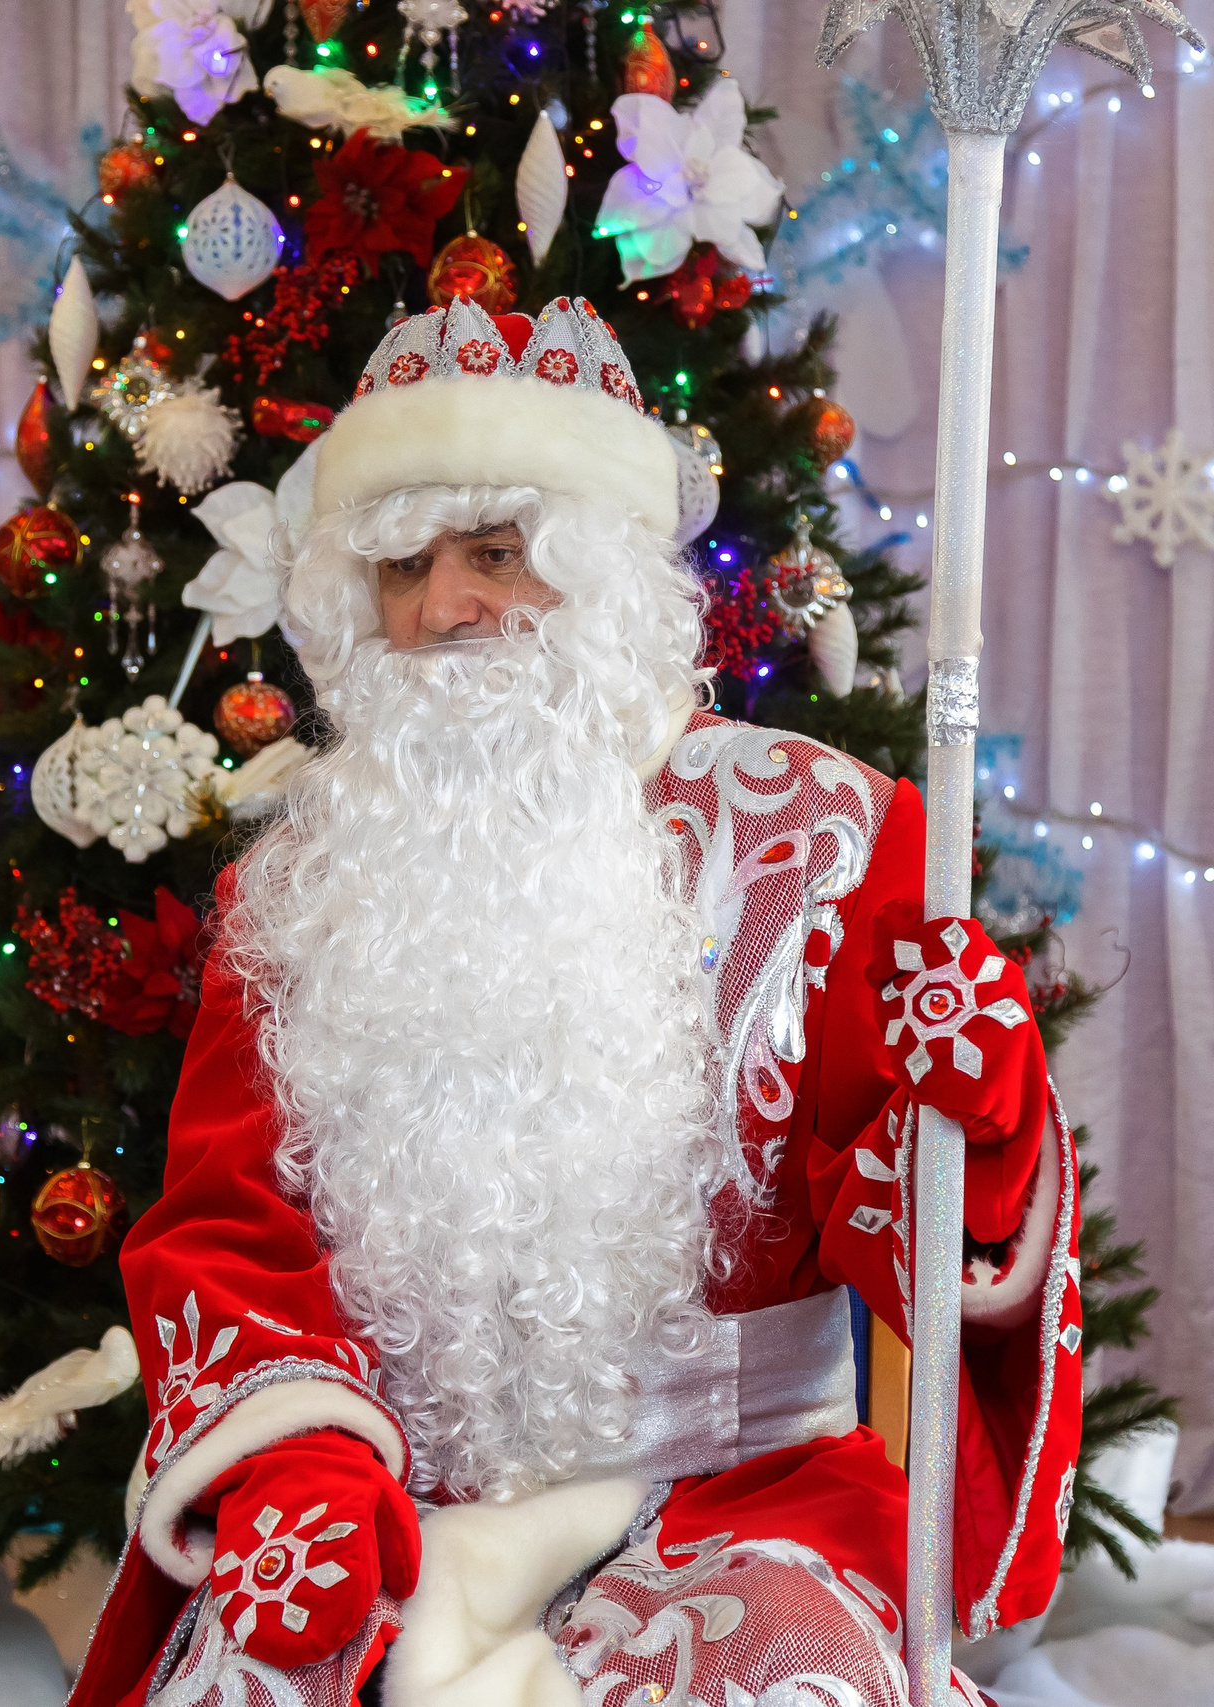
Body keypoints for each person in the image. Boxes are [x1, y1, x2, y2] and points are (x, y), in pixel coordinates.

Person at [68, 300, 1080, 1707]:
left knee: (779, 1671)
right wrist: (297, 1459)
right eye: (403, 565)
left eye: (497, 552)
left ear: (602, 574)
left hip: (736, 1492)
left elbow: (918, 1208)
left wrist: (986, 1109)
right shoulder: (300, 880)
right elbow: (231, 1221)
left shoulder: (830, 835)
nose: (441, 608)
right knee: (256, 1669)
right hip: (383, 1491)